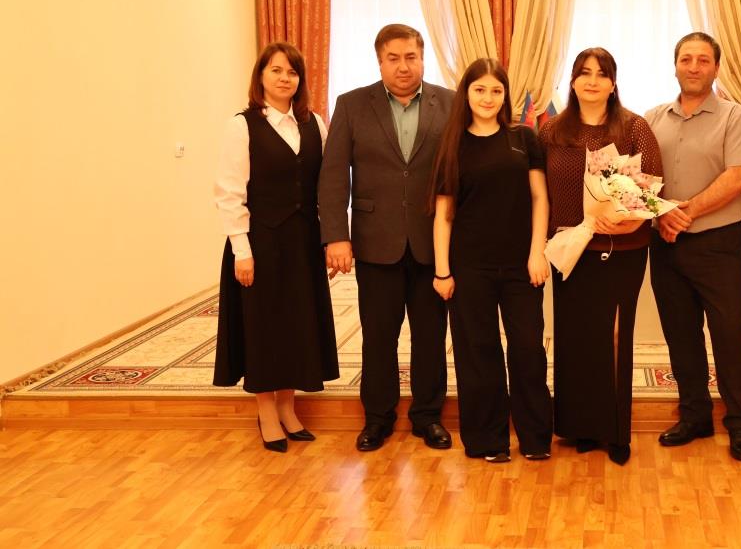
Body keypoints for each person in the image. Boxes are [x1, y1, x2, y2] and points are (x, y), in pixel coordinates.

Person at [318, 24, 454, 452]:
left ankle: (428, 416)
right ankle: (377, 418)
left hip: (433, 244)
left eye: (410, 57)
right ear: (380, 62)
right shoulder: (352, 105)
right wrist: (336, 237)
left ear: (422, 58)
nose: (403, 66)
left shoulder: (449, 103)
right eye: (393, 58)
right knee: (379, 337)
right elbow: (333, 176)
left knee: (430, 337)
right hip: (375, 243)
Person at [213, 42, 340, 453]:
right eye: (277, 70)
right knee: (264, 327)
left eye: (292, 72)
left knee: (297, 325)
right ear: (261, 76)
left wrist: (330, 237)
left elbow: (326, 187)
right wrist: (242, 250)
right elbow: (230, 192)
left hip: (303, 243)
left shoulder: (315, 123)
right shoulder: (242, 126)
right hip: (260, 243)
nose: (285, 78)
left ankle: (288, 407)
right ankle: (266, 410)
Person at [539, 47, 663, 466]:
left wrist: (625, 221)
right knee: (575, 339)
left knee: (613, 337)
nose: (592, 81)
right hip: (570, 250)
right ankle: (581, 427)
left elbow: (651, 188)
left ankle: (615, 431)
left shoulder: (633, 127)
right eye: (584, 73)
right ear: (573, 81)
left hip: (621, 249)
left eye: (601, 74)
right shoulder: (551, 130)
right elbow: (540, 193)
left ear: (613, 82)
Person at [430, 58, 553, 463]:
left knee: (529, 350)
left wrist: (537, 252)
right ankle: (488, 441)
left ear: (505, 95)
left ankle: (535, 439)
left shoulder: (523, 138)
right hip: (469, 269)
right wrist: (442, 271)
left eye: (496, 90)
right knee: (478, 354)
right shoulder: (452, 144)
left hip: (521, 267)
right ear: (466, 94)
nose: (488, 97)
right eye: (480, 89)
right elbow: (444, 215)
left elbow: (540, 199)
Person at [644, 32, 741, 462]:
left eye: (703, 60)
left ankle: (740, 424)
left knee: (730, 334)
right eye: (686, 59)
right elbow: (640, 179)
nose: (694, 67)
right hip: (665, 242)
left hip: (718, 244)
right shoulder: (652, 118)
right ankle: (694, 416)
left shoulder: (735, 117)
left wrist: (683, 212)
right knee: (681, 335)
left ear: (716, 67)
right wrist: (660, 214)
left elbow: (737, 178)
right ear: (675, 65)